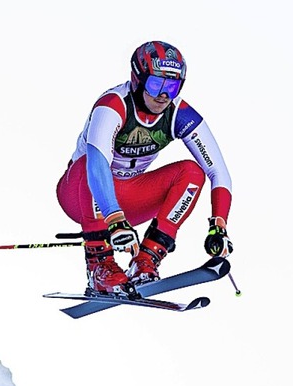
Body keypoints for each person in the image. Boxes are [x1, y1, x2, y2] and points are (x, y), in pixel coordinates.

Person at [56, 40, 233, 296]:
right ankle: (100, 267)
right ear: (137, 79)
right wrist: (114, 218)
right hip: (81, 194)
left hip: (128, 199)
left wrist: (219, 225)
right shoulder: (113, 105)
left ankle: (146, 260)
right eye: (156, 84)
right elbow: (96, 164)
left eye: (171, 87)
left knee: (192, 173)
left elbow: (219, 172)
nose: (163, 95)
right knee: (89, 164)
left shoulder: (177, 113)